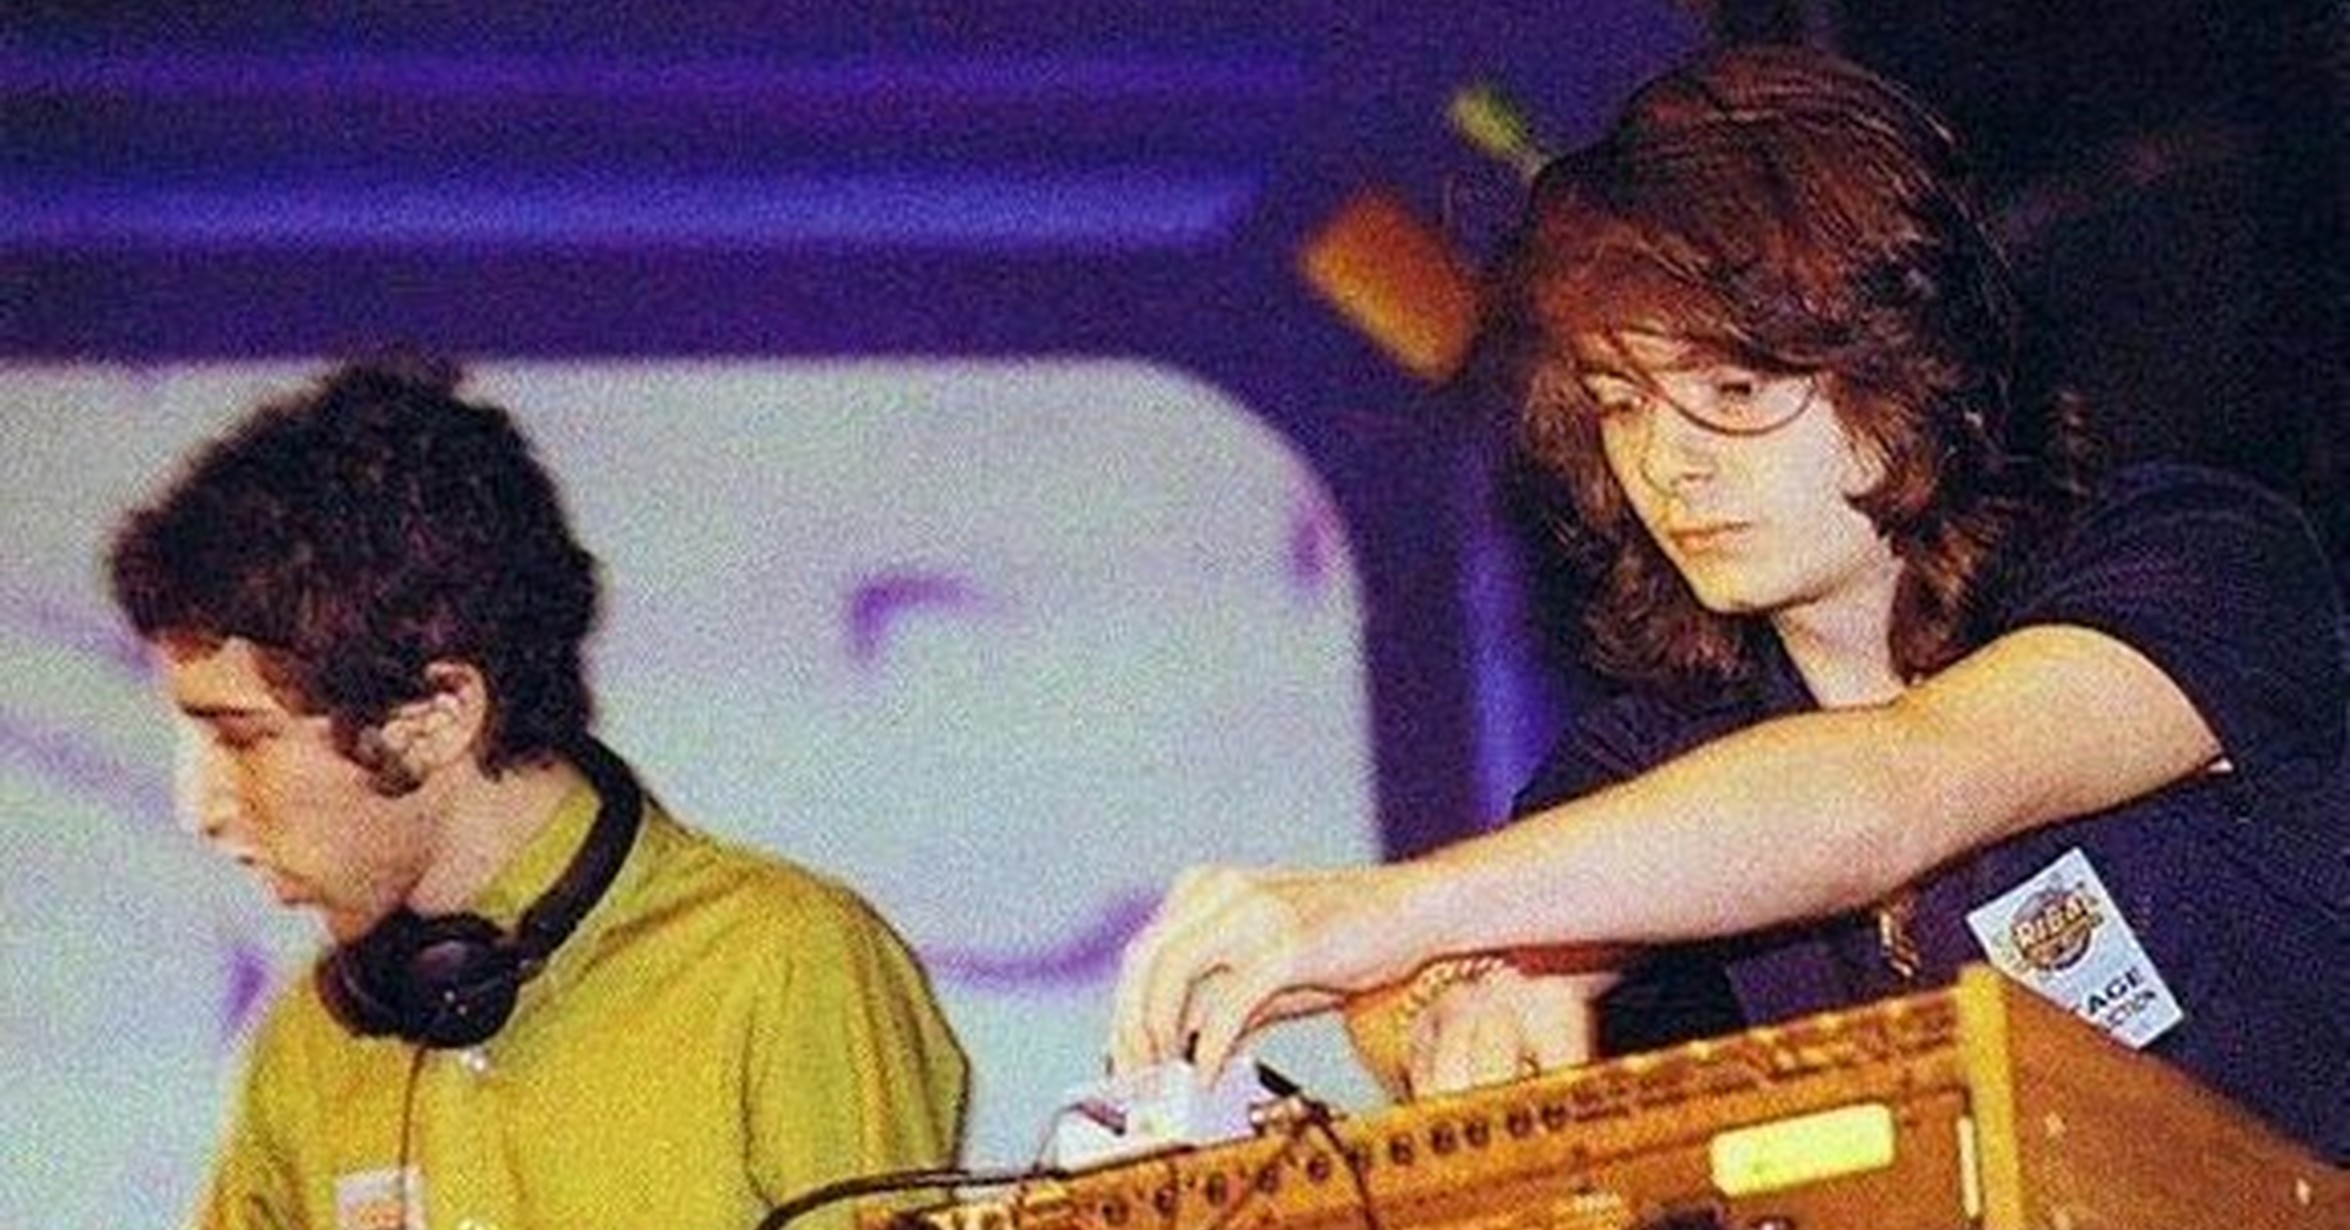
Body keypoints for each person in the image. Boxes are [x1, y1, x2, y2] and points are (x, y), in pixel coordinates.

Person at [1109, 44, 2345, 1162]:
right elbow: (1415, 995)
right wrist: (1470, 986)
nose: (1666, 462)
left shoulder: (2190, 560)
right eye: (1621, 403)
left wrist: (1394, 909)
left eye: (1735, 392)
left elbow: (1897, 789)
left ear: (1913, 371)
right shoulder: (1666, 750)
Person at [108, 356, 968, 1229]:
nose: (198, 807)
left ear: (436, 715)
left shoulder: (786, 965)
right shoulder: (308, 1047)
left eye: (240, 738)